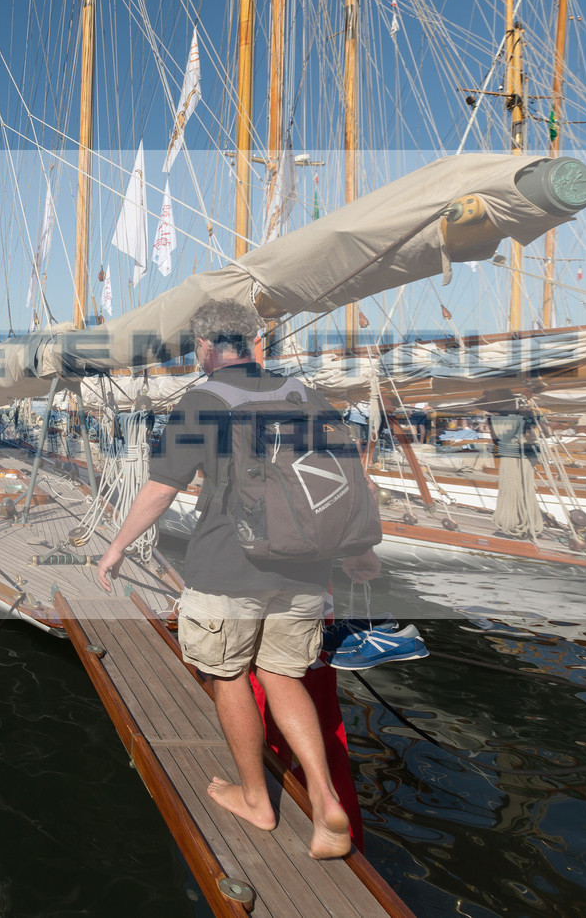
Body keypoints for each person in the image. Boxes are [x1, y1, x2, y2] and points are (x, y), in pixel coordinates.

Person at [94, 300, 372, 862]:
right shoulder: (303, 392)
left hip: (229, 568)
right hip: (306, 570)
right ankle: (325, 802)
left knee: (230, 676)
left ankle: (255, 800)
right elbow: (345, 474)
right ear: (255, 343)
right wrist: (359, 551)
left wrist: (117, 547)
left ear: (204, 348)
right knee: (283, 674)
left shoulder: (203, 400)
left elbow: (161, 489)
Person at [484, 390, 542, 537]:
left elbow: (496, 441)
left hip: (512, 455)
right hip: (529, 453)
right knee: (525, 488)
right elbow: (541, 433)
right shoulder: (527, 412)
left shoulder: (493, 418)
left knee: (510, 487)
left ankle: (512, 524)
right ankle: (527, 522)